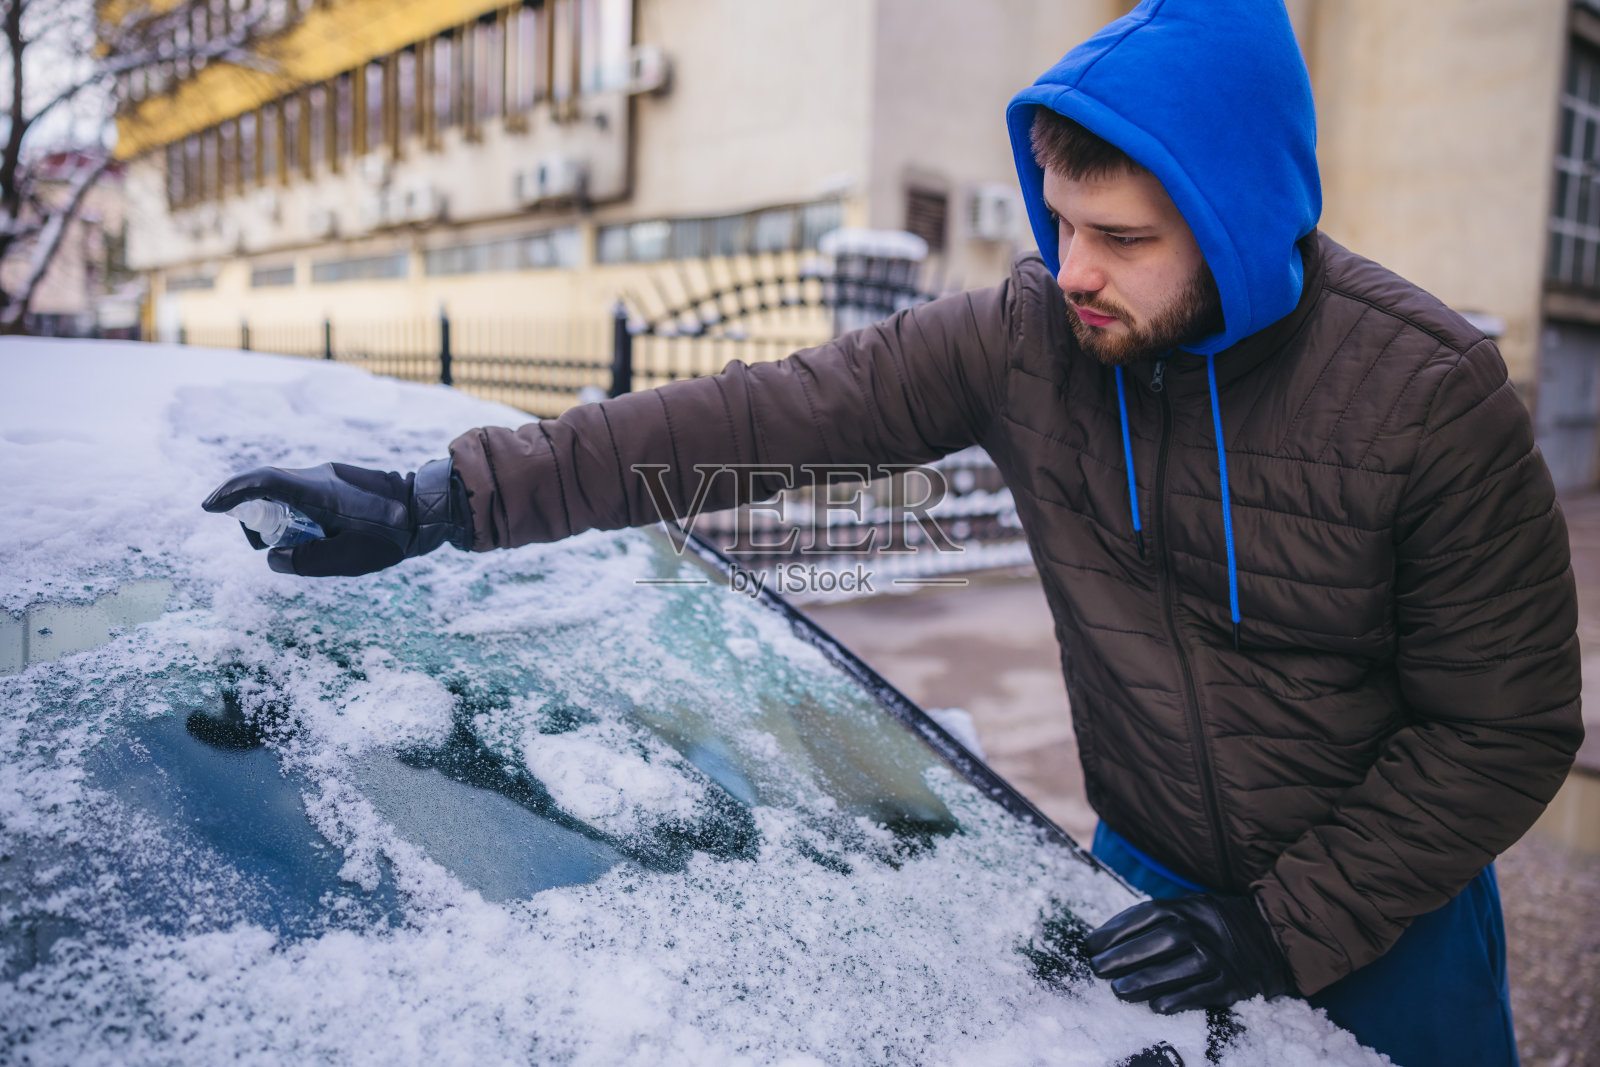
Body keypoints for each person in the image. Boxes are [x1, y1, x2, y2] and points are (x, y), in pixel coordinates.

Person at [203, 1, 1582, 1062]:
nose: (1072, 268)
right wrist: (442, 500)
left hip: (1389, 928)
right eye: (1059, 222)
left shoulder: (1425, 401)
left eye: (1122, 238)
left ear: (1240, 224)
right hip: (1146, 878)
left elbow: (1505, 730)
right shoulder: (1027, 337)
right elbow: (752, 417)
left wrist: (1287, 926)